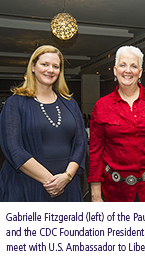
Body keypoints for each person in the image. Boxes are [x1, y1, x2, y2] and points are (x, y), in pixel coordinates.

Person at [88, 45, 145, 202]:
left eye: (133, 66)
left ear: (140, 72)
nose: (128, 70)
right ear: (115, 70)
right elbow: (95, 151)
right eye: (123, 65)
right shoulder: (101, 106)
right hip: (115, 192)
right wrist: (95, 192)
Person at [0, 45, 87, 201]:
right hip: (26, 186)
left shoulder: (70, 103)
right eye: (45, 64)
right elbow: (13, 148)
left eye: (56, 66)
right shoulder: (15, 103)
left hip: (68, 185)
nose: (50, 70)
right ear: (33, 67)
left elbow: (80, 144)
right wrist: (51, 181)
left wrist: (66, 177)